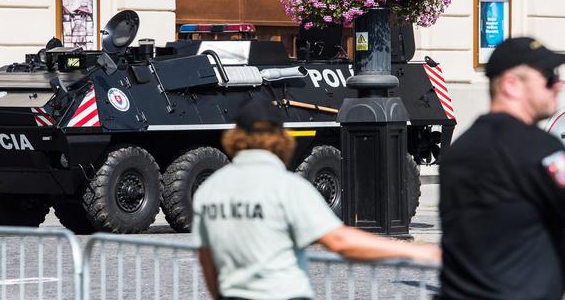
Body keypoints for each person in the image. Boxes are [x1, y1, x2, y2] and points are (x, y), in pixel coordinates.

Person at [192, 98, 441, 300]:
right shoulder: (287, 187)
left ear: (235, 136)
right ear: (281, 138)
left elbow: (207, 260)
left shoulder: (210, 190)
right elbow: (340, 241)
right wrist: (412, 251)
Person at [439, 37, 565, 300]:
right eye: (548, 77)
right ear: (511, 85)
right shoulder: (539, 148)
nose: (558, 85)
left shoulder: (460, 149)